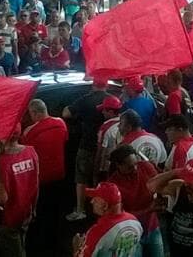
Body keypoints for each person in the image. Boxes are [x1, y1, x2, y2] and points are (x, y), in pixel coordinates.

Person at [21, 99, 68, 256]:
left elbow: (24, 152)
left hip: (40, 179)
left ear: (35, 113)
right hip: (59, 175)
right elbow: (65, 140)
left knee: (40, 214)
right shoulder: (61, 123)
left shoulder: (29, 131)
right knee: (56, 211)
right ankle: (56, 242)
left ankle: (41, 247)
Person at [0, 124, 39, 257]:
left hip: (9, 217)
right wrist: (33, 209)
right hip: (27, 210)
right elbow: (36, 183)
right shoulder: (31, 151)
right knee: (22, 243)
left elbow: (2, 198)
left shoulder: (1, 162)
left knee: (12, 250)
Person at [63, 78, 108, 221]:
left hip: (87, 144)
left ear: (93, 85)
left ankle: (80, 210)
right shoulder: (112, 99)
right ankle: (100, 209)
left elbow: (66, 114)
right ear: (106, 85)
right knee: (101, 177)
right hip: (106, 147)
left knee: (81, 177)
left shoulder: (85, 99)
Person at [108, 145, 164, 257]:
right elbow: (119, 216)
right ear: (118, 165)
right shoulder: (113, 185)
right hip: (130, 234)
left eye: (135, 164)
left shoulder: (146, 167)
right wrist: (149, 209)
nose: (134, 169)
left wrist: (161, 197)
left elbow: (161, 183)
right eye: (129, 167)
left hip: (152, 227)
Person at [72, 182, 143, 257]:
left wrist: (77, 247)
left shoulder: (97, 232)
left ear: (105, 206)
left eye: (95, 199)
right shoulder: (135, 221)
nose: (91, 201)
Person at [94, 96, 123, 181]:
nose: (102, 112)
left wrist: (96, 170)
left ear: (111, 112)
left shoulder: (105, 127)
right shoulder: (126, 122)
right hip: (123, 165)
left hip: (108, 168)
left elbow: (100, 151)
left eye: (104, 110)